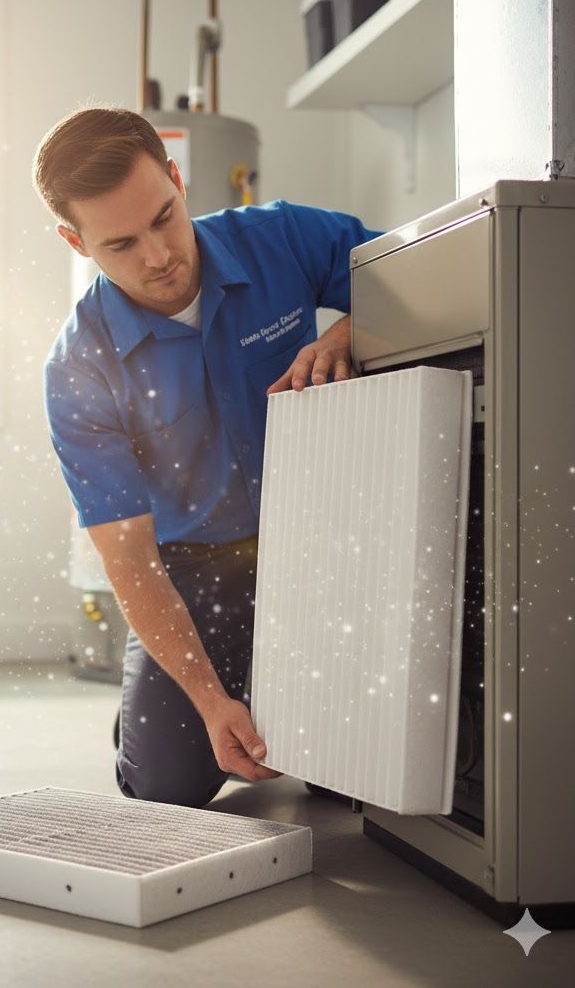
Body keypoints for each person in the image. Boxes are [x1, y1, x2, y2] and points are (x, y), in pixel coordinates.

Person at [33, 106, 382, 808]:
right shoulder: (78, 368)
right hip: (198, 572)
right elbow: (130, 561)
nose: (158, 256)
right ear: (77, 243)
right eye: (122, 243)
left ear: (175, 177)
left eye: (164, 217)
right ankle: (157, 703)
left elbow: (423, 271)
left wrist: (352, 328)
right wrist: (206, 699)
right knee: (166, 790)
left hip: (329, 551)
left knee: (350, 775)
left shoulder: (279, 236)